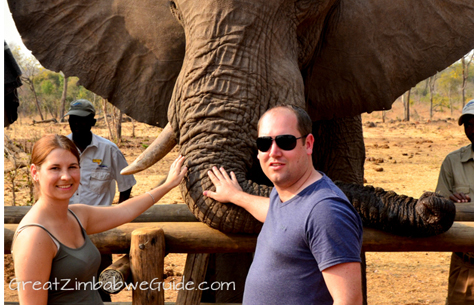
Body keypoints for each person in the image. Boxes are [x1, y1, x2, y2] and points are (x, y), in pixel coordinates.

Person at [204, 103, 363, 305]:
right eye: (264, 143)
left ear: (308, 144)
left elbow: (349, 301)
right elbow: (284, 217)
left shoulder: (326, 211)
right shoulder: (285, 197)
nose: (273, 152)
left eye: (285, 141)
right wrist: (236, 196)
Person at [12, 131, 187, 303]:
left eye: (72, 167)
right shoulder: (34, 236)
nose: (66, 176)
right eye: (55, 168)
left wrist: (168, 185)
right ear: (35, 172)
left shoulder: (76, 215)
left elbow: (124, 211)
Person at [436, 98, 474, 304]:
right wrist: (449, 205)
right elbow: (435, 209)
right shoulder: (452, 162)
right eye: (469, 124)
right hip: (468, 264)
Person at [67, 98, 136, 206]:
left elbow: (126, 183)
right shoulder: (60, 148)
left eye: (82, 119)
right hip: (66, 218)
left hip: (99, 219)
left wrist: (118, 213)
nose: (76, 123)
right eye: (73, 118)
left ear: (92, 122)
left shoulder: (109, 150)